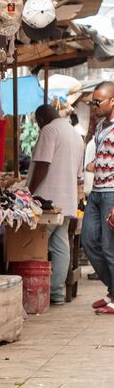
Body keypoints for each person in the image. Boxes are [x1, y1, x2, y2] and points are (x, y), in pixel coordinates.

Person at [28, 105, 84, 305]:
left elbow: (43, 164)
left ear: (41, 119)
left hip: (47, 201)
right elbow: (79, 176)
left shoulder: (49, 130)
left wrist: (29, 193)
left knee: (33, 246)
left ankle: (35, 293)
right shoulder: (75, 135)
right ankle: (57, 294)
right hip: (67, 200)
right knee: (60, 247)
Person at [83, 82, 114, 313]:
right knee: (89, 242)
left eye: (97, 102)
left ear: (112, 101)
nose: (93, 106)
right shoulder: (101, 125)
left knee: (109, 247)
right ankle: (112, 289)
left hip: (111, 193)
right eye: (92, 102)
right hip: (96, 192)